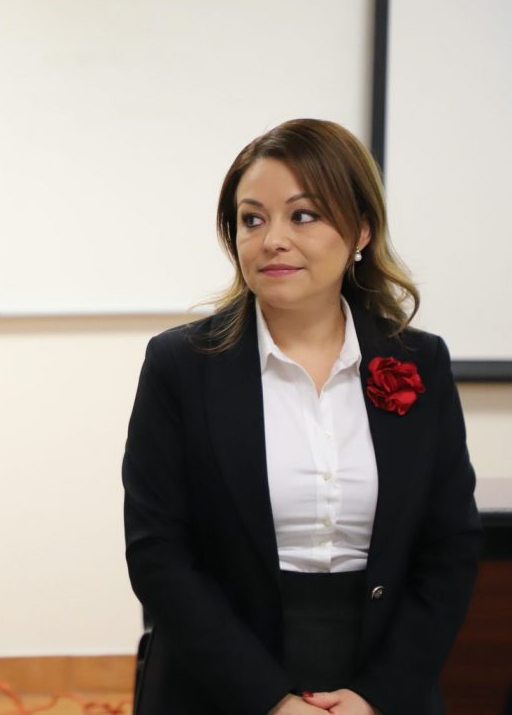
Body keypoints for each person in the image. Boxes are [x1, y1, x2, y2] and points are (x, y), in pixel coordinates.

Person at [122, 119, 482, 715]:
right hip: (219, 683)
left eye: (303, 215)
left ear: (361, 229)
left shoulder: (420, 362)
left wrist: (378, 696)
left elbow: (451, 546)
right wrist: (269, 700)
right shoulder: (180, 365)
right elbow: (157, 553)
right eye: (252, 219)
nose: (272, 240)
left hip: (383, 682)